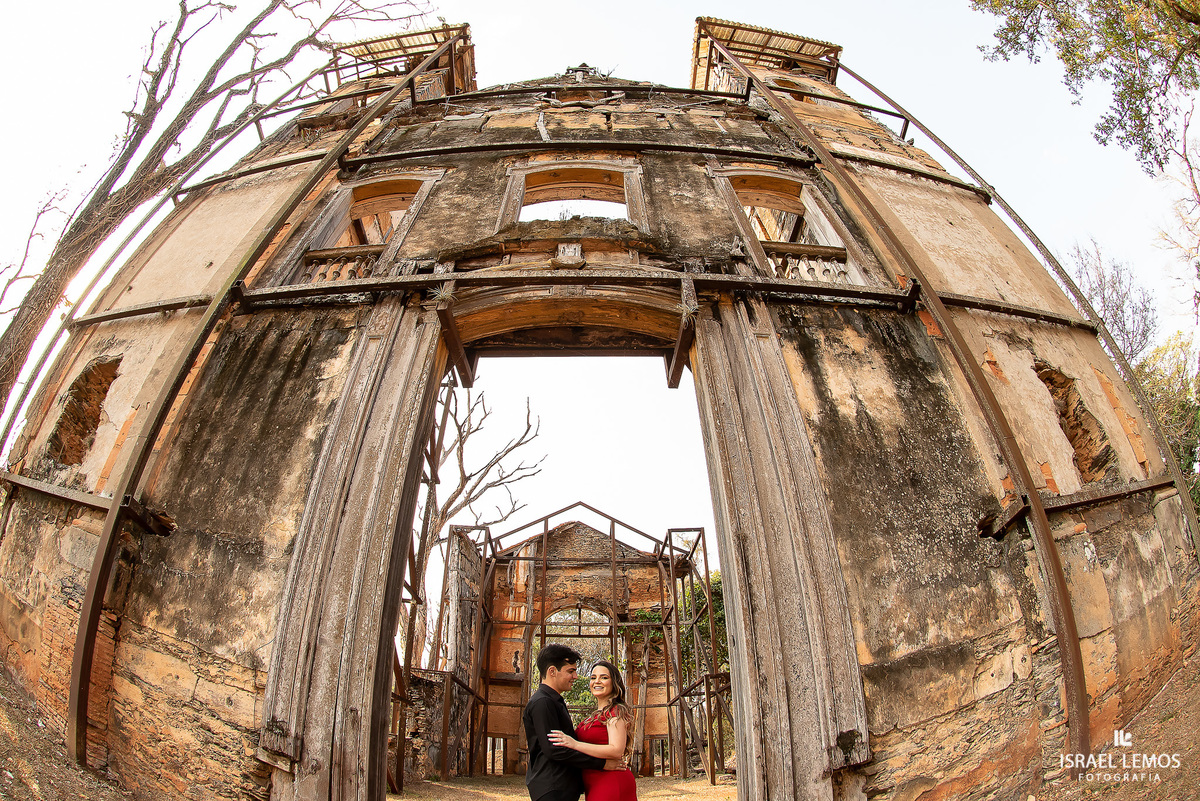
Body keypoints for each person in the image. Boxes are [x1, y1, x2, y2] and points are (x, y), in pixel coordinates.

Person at [523, 644, 624, 801]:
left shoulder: (554, 701)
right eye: (570, 671)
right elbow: (554, 750)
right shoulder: (543, 702)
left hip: (561, 786)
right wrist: (601, 764)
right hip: (553, 787)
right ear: (552, 671)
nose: (576, 676)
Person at [548, 659, 638, 800]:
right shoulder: (593, 717)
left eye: (604, 677)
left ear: (614, 683)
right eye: (593, 677)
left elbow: (616, 750)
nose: (597, 681)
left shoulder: (615, 712)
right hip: (593, 782)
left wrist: (575, 744)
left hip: (611, 780)